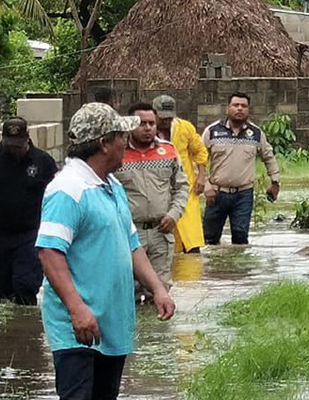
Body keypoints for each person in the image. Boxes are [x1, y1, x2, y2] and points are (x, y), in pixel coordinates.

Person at [36, 103, 176, 400]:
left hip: (112, 318)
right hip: (77, 320)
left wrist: (157, 287)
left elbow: (131, 246)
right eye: (121, 136)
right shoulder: (67, 189)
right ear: (104, 143)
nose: (126, 142)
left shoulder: (110, 186)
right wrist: (76, 308)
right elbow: (49, 252)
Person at [0, 116, 57, 303]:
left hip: (30, 235)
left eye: (17, 146)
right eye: (9, 145)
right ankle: (3, 332)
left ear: (27, 139)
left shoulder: (43, 162)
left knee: (24, 286)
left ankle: (25, 330)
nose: (13, 150)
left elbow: (58, 197)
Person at [117, 102, 189, 289]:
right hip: (129, 232)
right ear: (130, 124)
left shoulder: (169, 151)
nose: (147, 128)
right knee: (127, 288)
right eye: (141, 123)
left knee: (161, 288)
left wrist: (174, 215)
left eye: (151, 123)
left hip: (161, 231)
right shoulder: (117, 154)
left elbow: (181, 187)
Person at [201, 91, 282, 246]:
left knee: (240, 238)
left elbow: (269, 157)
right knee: (209, 239)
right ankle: (212, 270)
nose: (239, 109)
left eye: (243, 106)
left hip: (244, 195)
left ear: (248, 109)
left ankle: (241, 270)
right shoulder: (212, 131)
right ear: (227, 108)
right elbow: (198, 160)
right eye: (235, 105)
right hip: (216, 193)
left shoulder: (256, 133)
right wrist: (206, 185)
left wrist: (275, 182)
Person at [153, 95, 208, 253]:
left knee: (191, 240)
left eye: (169, 118)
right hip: (159, 189)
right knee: (167, 239)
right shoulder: (146, 132)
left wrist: (202, 175)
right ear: (154, 113)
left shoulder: (185, 128)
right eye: (162, 118)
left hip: (186, 189)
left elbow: (200, 152)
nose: (165, 121)